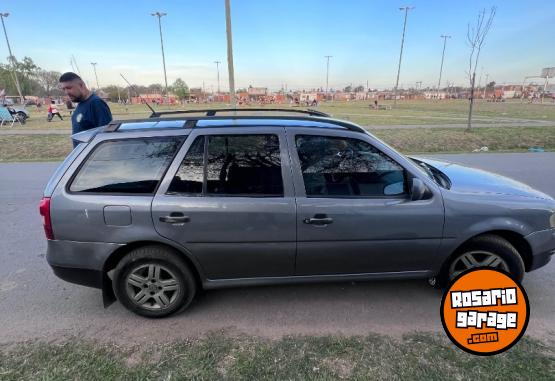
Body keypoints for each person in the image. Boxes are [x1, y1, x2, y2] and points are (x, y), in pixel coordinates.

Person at [59, 72, 112, 147]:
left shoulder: (96, 103)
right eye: (63, 89)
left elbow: (107, 136)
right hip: (83, 156)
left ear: (81, 85)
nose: (66, 92)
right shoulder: (81, 103)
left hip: (93, 157)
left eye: (69, 88)